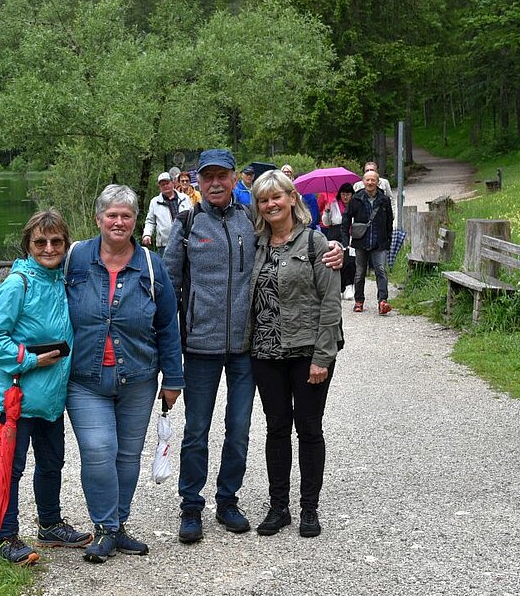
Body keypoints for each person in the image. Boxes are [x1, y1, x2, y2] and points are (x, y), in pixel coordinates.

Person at [164, 149, 346, 545]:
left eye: (222, 176)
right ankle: (191, 505)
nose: (215, 183)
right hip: (200, 346)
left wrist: (337, 249)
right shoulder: (186, 223)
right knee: (196, 430)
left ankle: (228, 501)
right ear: (197, 181)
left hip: (246, 348)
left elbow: (295, 241)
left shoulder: (251, 221)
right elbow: (168, 285)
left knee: (239, 429)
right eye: (207, 176)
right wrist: (169, 349)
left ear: (235, 179)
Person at [64, 184, 184, 564]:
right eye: (111, 215)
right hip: (85, 379)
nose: (118, 222)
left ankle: (117, 526)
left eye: (126, 215)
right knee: (99, 450)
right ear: (98, 218)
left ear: (135, 221)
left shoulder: (151, 265)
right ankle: (105, 526)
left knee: (128, 456)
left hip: (139, 377)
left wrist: (173, 378)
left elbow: (168, 325)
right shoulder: (75, 258)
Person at [0, 209, 90, 564]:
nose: (49, 248)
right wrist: (29, 359)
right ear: (28, 245)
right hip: (16, 396)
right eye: (40, 242)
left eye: (56, 241)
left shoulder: (61, 281)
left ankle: (50, 525)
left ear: (65, 244)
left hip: (50, 397)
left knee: (51, 463)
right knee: (10, 467)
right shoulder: (18, 284)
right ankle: (5, 537)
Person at [248, 170, 342, 539]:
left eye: (277, 197)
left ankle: (309, 508)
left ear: (291, 198)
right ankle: (279, 507)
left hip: (307, 352)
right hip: (265, 353)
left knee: (309, 428)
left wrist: (323, 356)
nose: (271, 204)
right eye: (263, 199)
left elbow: (330, 303)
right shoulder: (256, 244)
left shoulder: (316, 243)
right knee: (276, 429)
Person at [342, 170, 394, 315]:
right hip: (360, 242)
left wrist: (388, 239)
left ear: (378, 182)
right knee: (359, 273)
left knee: (381, 271)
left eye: (373, 180)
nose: (370, 183)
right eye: (367, 180)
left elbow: (389, 221)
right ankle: (359, 301)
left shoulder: (384, 200)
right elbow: (346, 219)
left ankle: (382, 301)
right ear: (363, 182)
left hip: (379, 242)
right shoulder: (356, 199)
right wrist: (345, 240)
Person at [321, 182, 357, 299]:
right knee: (336, 261)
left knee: (349, 261)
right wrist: (326, 211)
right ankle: (340, 287)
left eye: (348, 194)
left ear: (352, 195)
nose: (345, 197)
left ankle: (349, 286)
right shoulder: (333, 205)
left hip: (350, 235)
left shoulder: (355, 205)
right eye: (343, 194)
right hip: (335, 234)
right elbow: (326, 223)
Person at [141, 171, 190, 255]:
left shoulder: (185, 198)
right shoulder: (155, 202)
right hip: (164, 245)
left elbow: (192, 218)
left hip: (185, 242)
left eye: (167, 183)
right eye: (162, 184)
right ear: (159, 187)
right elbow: (150, 221)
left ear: (173, 183)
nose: (165, 186)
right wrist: (147, 234)